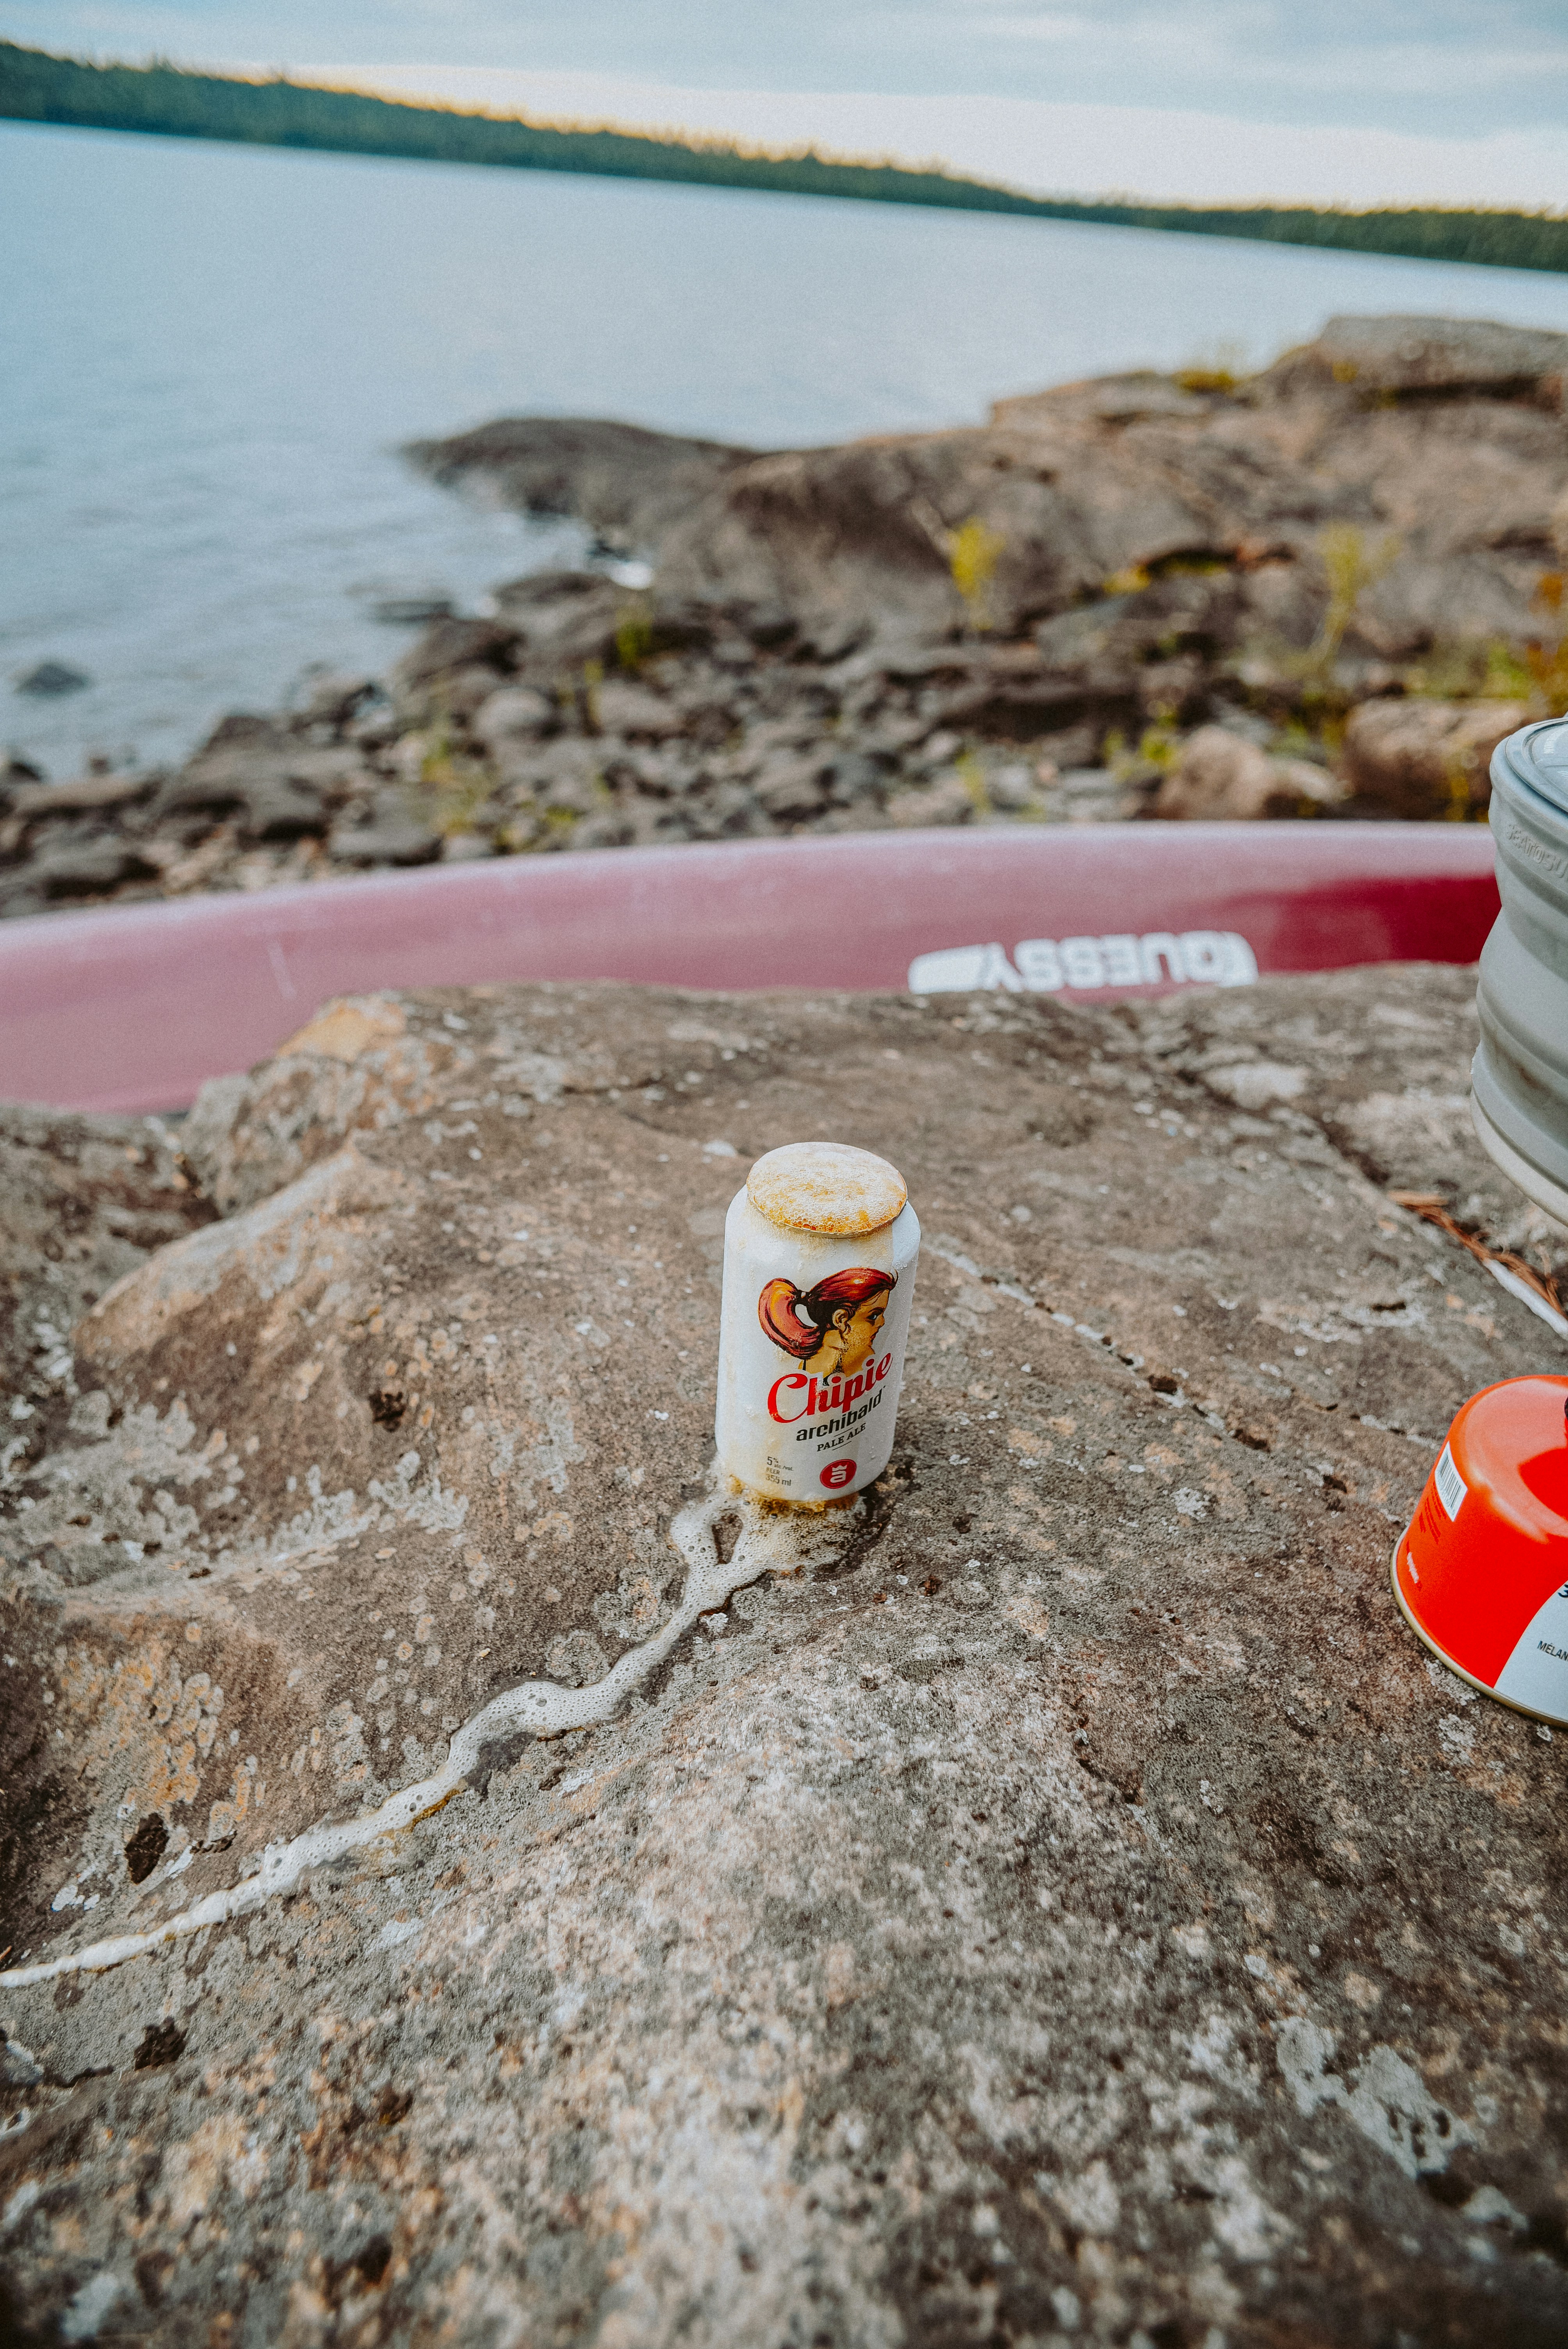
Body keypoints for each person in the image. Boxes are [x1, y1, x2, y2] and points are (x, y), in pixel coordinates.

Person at [757, 1267, 894, 1379]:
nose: (882, 1322)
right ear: (840, 1320)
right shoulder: (861, 1357)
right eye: (874, 1316)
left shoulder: (812, 1361)